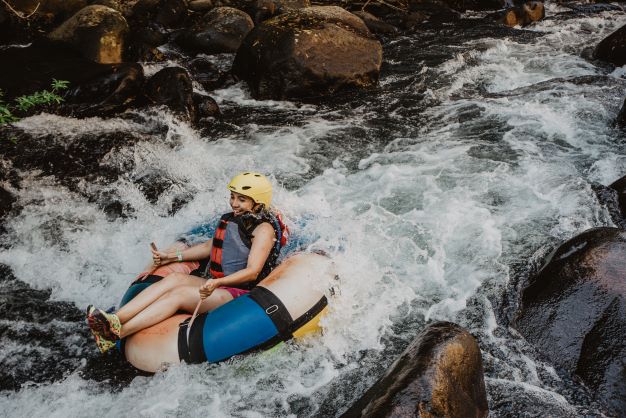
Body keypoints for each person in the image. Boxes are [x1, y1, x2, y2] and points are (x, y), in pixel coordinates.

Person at [87, 172, 289, 353]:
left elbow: (253, 272)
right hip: (220, 283)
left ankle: (118, 334)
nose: (234, 203)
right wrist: (172, 257)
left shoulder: (263, 229)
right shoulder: (234, 219)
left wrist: (216, 283)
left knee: (179, 294)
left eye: (242, 200)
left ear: (258, 203)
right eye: (233, 197)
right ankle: (115, 319)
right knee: (174, 278)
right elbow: (211, 247)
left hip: (241, 293)